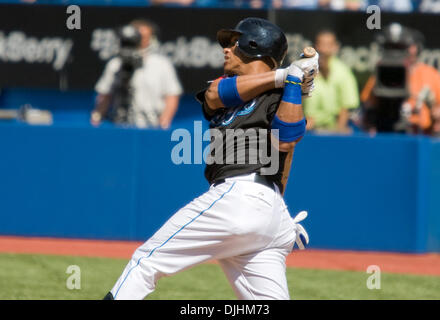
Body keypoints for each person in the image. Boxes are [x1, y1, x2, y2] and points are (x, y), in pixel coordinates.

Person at [103, 17, 319, 300]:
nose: (226, 49)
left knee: (146, 262)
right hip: (260, 212)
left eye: (234, 43)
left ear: (255, 46)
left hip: (245, 198)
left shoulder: (283, 94)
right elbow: (215, 95)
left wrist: (293, 82)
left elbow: (287, 141)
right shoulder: (227, 86)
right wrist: (285, 75)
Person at [91, 19, 182, 129]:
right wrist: (97, 117)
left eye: (145, 37)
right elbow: (105, 95)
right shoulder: (115, 64)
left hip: (151, 125)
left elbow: (172, 96)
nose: (141, 41)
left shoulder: (162, 64)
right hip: (120, 125)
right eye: (138, 37)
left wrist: (164, 122)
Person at [361, 23, 440, 136]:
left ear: (417, 48)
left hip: (421, 132)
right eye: (395, 47)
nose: (404, 51)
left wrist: (435, 111)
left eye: (406, 46)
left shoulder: (430, 73)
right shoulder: (382, 71)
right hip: (386, 129)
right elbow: (368, 104)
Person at [303, 30, 359, 134]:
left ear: (336, 47)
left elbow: (346, 107)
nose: (324, 49)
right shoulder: (304, 69)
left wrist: (338, 132)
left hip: (331, 131)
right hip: (304, 129)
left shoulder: (344, 72)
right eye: (321, 44)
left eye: (328, 45)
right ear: (315, 46)